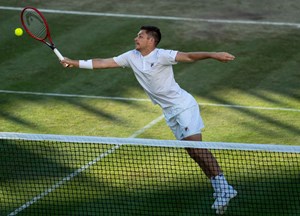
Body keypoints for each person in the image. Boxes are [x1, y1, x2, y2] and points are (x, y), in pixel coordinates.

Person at [61, 25, 237, 214]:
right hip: (169, 111)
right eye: (137, 35)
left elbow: (188, 56)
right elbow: (103, 62)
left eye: (140, 36)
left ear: (151, 41)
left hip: (183, 106)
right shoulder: (131, 56)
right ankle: (220, 188)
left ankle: (225, 187)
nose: (136, 38)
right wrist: (75, 62)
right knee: (192, 152)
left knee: (197, 149)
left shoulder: (162, 55)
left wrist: (213, 54)